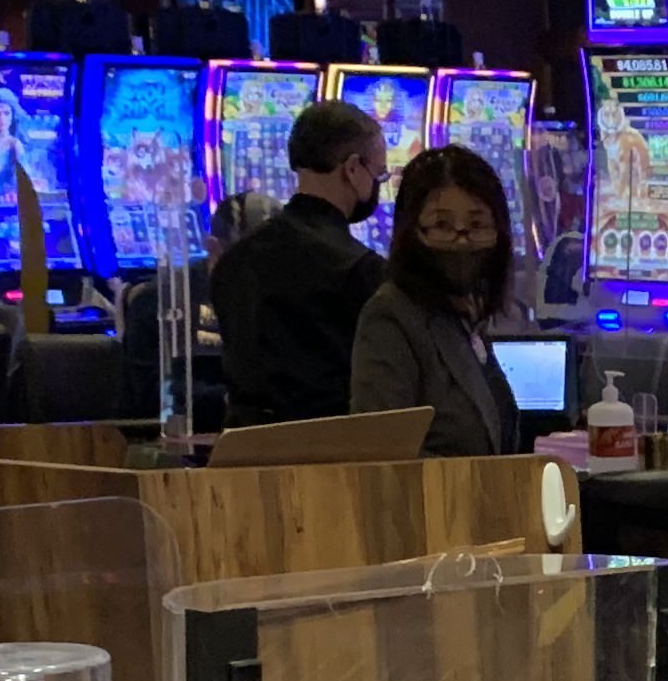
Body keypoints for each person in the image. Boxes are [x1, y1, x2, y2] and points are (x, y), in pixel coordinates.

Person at [209, 100, 387, 425]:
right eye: (379, 174)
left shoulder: (233, 261)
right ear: (352, 169)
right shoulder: (359, 267)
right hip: (330, 452)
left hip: (241, 452)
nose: (377, 186)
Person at [350, 144, 524, 456]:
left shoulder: (466, 315)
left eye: (477, 225)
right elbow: (380, 455)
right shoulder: (391, 316)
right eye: (443, 225)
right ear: (411, 231)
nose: (462, 240)